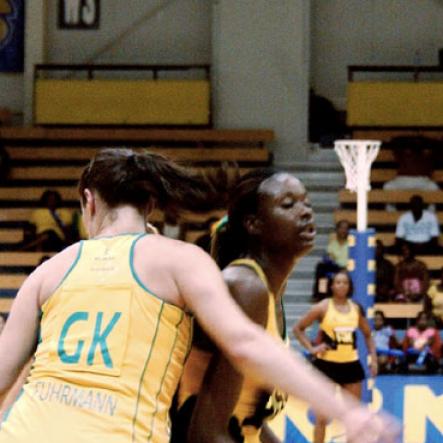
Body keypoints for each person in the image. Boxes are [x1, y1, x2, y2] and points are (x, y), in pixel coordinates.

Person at [0, 149, 399, 443]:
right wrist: (349, 411)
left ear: (88, 201)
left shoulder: (47, 271)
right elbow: (245, 343)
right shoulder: (180, 261)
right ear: (151, 204)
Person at [173, 168, 316, 442]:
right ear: (254, 224)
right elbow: (204, 432)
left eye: (306, 202)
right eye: (288, 204)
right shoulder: (245, 287)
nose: (306, 211)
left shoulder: (268, 292)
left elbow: (246, 419)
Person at [293, 269, 378, 443]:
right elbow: (298, 329)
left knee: (353, 418)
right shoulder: (323, 306)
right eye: (338, 282)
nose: (341, 285)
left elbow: (368, 334)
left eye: (345, 282)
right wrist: (311, 348)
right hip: (326, 367)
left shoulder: (355, 309)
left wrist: (373, 359)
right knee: (322, 418)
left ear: (349, 286)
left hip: (351, 366)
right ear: (332, 286)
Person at [312, 220, 349, 301]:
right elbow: (330, 258)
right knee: (321, 268)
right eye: (341, 228)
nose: (343, 230)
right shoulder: (333, 244)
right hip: (336, 267)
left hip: (347, 268)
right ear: (337, 230)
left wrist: (346, 269)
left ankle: (320, 295)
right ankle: (320, 295)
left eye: (345, 228)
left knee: (324, 270)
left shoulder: (351, 244)